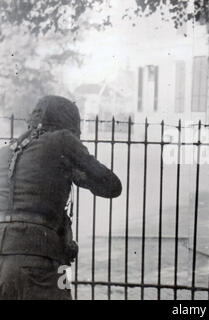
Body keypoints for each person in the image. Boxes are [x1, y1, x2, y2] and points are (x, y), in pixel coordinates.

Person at [0, 95, 122, 300]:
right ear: (68, 125)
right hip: (39, 260)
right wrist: (78, 175)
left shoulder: (4, 152)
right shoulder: (62, 140)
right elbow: (112, 185)